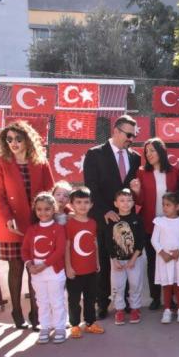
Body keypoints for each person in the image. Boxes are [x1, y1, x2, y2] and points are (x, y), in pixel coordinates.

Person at [0, 121, 55, 329]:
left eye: (18, 139)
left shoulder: (40, 161)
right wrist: (7, 217)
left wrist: (46, 217)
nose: (13, 143)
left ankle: (37, 315)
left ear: (28, 140)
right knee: (16, 267)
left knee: (34, 269)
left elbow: (49, 190)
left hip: (36, 224)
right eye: (8, 139)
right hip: (10, 225)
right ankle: (17, 311)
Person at [84, 115, 141, 320]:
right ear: (116, 131)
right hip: (104, 218)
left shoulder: (135, 157)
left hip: (126, 218)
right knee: (106, 262)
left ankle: (124, 303)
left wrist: (135, 191)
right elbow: (91, 187)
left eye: (134, 135)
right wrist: (104, 211)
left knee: (126, 259)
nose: (131, 139)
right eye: (128, 134)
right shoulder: (95, 154)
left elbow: (130, 191)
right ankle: (103, 302)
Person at [130, 137, 179, 310]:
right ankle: (155, 297)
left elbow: (178, 197)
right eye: (146, 152)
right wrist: (136, 191)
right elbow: (140, 201)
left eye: (152, 150)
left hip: (171, 224)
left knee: (172, 260)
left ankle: (172, 297)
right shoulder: (141, 172)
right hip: (150, 224)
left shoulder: (174, 171)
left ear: (162, 151)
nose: (149, 154)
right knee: (153, 260)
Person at [21, 192, 66, 344]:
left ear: (54, 210)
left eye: (47, 209)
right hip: (36, 273)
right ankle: (45, 327)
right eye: (39, 209)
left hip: (54, 271)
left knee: (56, 300)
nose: (43, 212)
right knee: (42, 301)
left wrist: (44, 265)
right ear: (35, 210)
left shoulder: (58, 228)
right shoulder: (32, 229)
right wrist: (29, 265)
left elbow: (59, 251)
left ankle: (60, 327)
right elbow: (25, 250)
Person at [65, 187, 104, 339]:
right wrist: (68, 267)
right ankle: (74, 325)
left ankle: (90, 323)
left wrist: (97, 262)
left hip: (91, 269)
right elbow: (67, 246)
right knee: (74, 300)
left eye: (86, 202)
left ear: (91, 204)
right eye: (78, 202)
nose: (82, 205)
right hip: (75, 271)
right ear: (72, 204)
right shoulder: (69, 224)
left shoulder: (93, 223)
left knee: (90, 298)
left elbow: (95, 244)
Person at [152, 192, 179, 324]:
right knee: (167, 284)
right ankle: (167, 309)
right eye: (163, 205)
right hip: (164, 259)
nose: (165, 208)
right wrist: (163, 253)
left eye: (168, 205)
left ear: (177, 207)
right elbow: (154, 240)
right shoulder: (159, 221)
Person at [106, 189, 146, 326]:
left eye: (129, 200)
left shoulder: (137, 219)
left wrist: (134, 259)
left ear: (133, 203)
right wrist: (114, 259)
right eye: (122, 200)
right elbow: (108, 242)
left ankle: (135, 308)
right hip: (117, 261)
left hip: (135, 260)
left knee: (135, 284)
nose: (125, 203)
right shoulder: (112, 220)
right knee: (118, 286)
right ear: (115, 203)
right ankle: (120, 310)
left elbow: (141, 241)